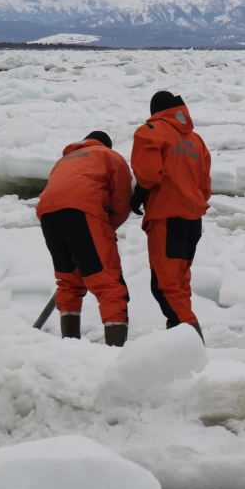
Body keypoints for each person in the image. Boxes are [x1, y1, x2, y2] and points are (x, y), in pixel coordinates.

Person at [37, 131, 132, 346]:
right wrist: (105, 229)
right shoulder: (109, 156)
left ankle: (70, 345)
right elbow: (121, 199)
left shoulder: (63, 160)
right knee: (109, 284)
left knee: (68, 281)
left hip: (48, 216)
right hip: (83, 212)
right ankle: (115, 353)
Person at [130, 91, 212, 341]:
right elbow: (205, 185)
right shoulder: (196, 140)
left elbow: (148, 174)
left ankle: (192, 342)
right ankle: (178, 342)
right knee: (179, 284)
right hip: (192, 219)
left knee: (166, 286)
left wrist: (136, 197)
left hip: (167, 217)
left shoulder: (151, 131)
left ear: (155, 111)